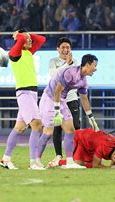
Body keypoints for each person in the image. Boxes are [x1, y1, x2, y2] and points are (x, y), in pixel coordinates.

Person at [35, 54, 99, 169]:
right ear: (88, 64)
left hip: (61, 100)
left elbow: (84, 99)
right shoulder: (71, 72)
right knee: (48, 132)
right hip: (50, 98)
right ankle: (36, 161)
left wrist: (91, 119)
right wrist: (56, 110)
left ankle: (69, 161)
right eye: (94, 65)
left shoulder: (83, 81)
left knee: (70, 130)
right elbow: (57, 90)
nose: (96, 68)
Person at [0, 29, 46, 170]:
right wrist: (20, 36)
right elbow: (20, 41)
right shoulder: (14, 53)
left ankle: (6, 159)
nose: (30, 40)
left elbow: (41, 39)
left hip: (31, 94)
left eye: (29, 38)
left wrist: (26, 35)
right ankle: (33, 162)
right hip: (24, 93)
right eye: (27, 38)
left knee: (19, 128)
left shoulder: (28, 52)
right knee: (37, 125)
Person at [48, 37, 80, 166]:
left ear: (70, 49)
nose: (65, 50)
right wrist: (67, 65)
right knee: (57, 128)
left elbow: (75, 79)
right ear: (57, 49)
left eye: (67, 47)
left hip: (71, 98)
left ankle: (75, 155)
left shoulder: (76, 62)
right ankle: (58, 156)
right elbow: (54, 76)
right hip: (58, 99)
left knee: (76, 127)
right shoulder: (52, 61)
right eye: (63, 47)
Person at [48, 128, 115, 169]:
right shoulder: (104, 147)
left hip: (90, 144)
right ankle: (58, 162)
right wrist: (109, 168)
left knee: (88, 166)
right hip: (81, 139)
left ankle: (62, 163)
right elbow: (96, 165)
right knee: (78, 164)